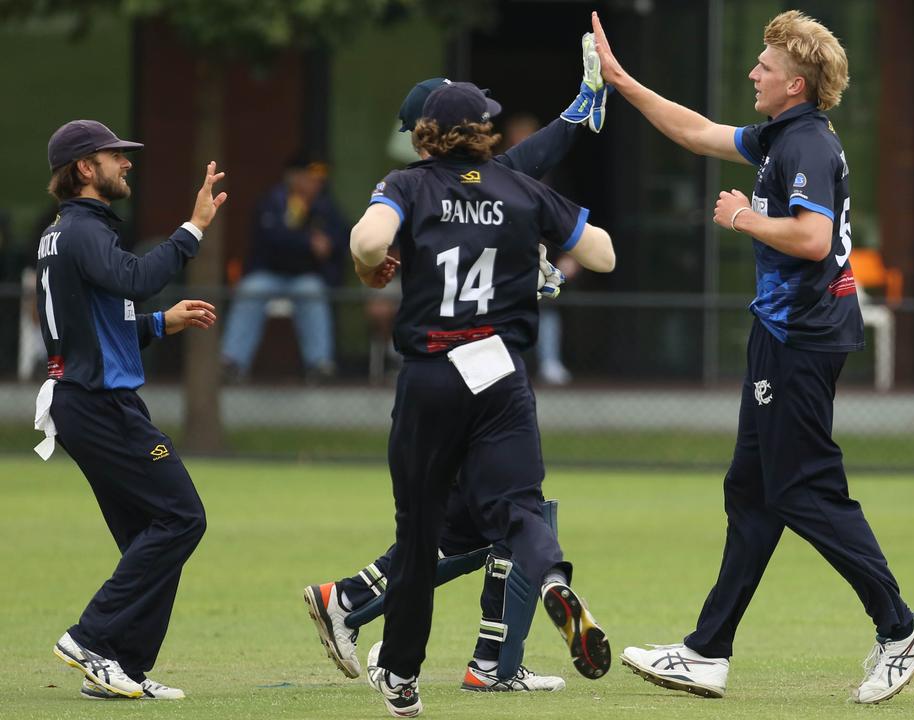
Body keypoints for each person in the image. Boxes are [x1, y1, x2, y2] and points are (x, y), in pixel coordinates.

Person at [591, 10, 914, 703]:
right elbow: (697, 132)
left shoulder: (807, 143)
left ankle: (899, 627)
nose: (753, 72)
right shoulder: (783, 135)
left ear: (796, 83)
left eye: (765, 65)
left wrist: (742, 218)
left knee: (799, 489)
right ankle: (706, 652)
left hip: (803, 338)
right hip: (781, 334)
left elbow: (814, 240)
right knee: (752, 491)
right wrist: (621, 81)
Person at [303, 39, 607, 696]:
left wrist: (583, 109)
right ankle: (490, 658)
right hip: (488, 367)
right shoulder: (450, 179)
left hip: (438, 375)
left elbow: (527, 165)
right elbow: (528, 182)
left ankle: (362, 611)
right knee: (515, 517)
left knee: (457, 526)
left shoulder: (419, 185)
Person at [35, 119, 227, 701]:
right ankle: (90, 638)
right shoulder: (82, 230)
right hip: (99, 405)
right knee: (182, 517)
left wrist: (161, 325)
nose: (128, 163)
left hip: (88, 401)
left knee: (149, 533)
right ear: (85, 169)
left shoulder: (68, 233)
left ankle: (120, 666)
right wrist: (192, 229)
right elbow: (136, 279)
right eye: (116, 156)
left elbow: (100, 321)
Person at [219, 156, 347, 383]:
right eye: (310, 179)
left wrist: (328, 243)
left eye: (318, 181)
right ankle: (233, 363)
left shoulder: (324, 205)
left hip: (304, 277)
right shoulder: (273, 200)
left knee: (313, 291)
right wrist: (308, 242)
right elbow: (273, 238)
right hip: (268, 274)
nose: (316, 184)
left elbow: (342, 236)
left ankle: (319, 366)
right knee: (251, 289)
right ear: (294, 178)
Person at [501, 112, 582, 385]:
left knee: (546, 304)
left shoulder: (553, 177)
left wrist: (572, 256)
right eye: (518, 140)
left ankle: (550, 362)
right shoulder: (496, 173)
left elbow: (570, 219)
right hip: (500, 257)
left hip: (541, 257)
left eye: (529, 138)